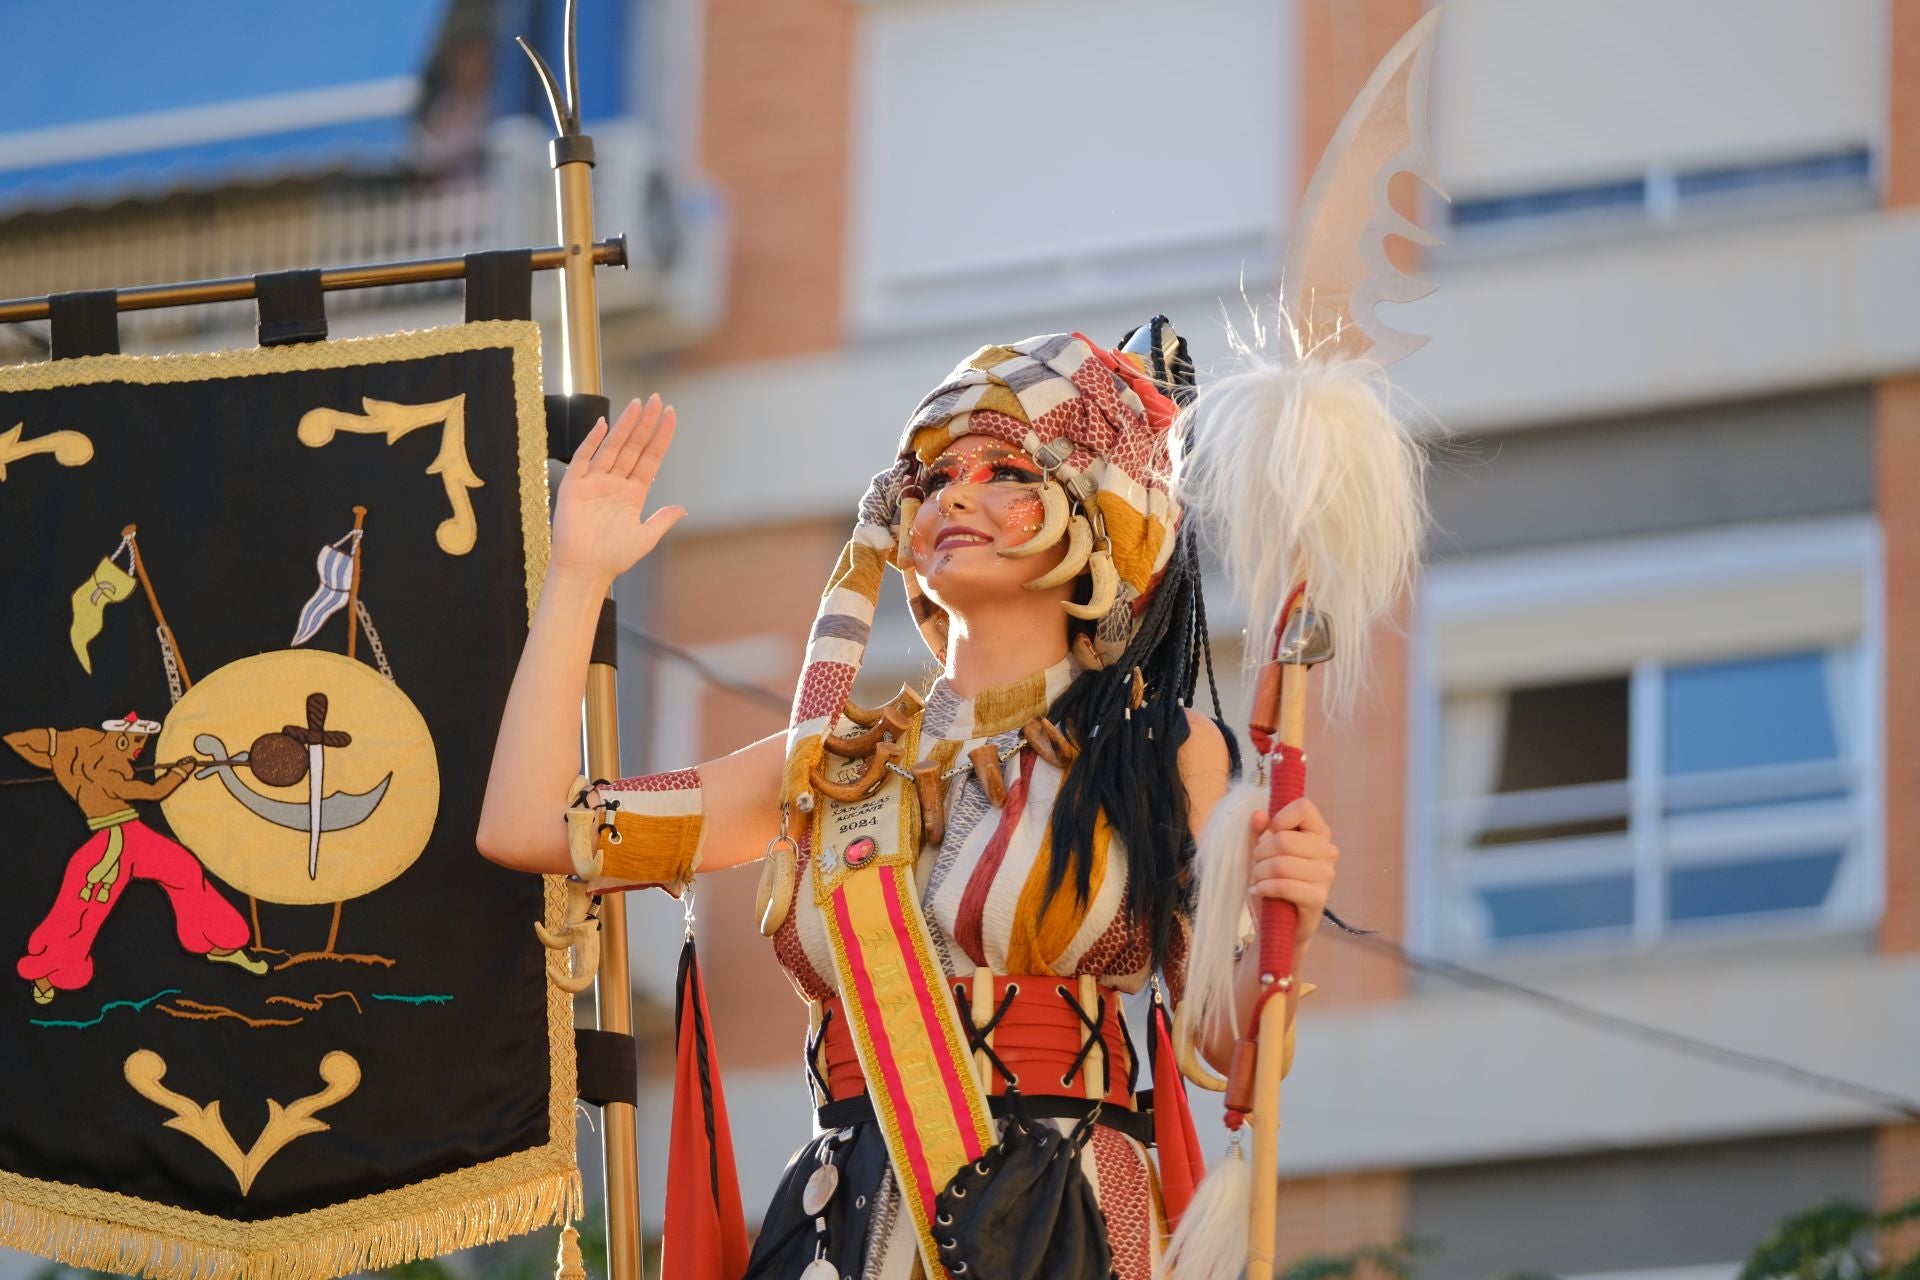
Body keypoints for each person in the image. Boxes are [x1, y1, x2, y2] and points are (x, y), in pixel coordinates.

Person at [477, 323, 1341, 1280]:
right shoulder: (825, 765)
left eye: (1006, 472)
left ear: (1095, 518)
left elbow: (1227, 1046)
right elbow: (528, 826)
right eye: (931, 480)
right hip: (845, 1227)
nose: (954, 495)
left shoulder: (1158, 753)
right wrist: (580, 574)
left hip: (1065, 1222)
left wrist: (1285, 923)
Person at [9, 711, 266, 1004]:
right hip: (112, 843)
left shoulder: (78, 757)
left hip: (135, 835)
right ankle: (47, 971)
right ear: (118, 738)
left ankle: (221, 944)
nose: (138, 749)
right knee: (83, 906)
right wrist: (180, 772)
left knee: (185, 871)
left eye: (141, 742)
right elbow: (153, 792)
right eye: (134, 741)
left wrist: (57, 743)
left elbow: (22, 742)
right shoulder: (105, 770)